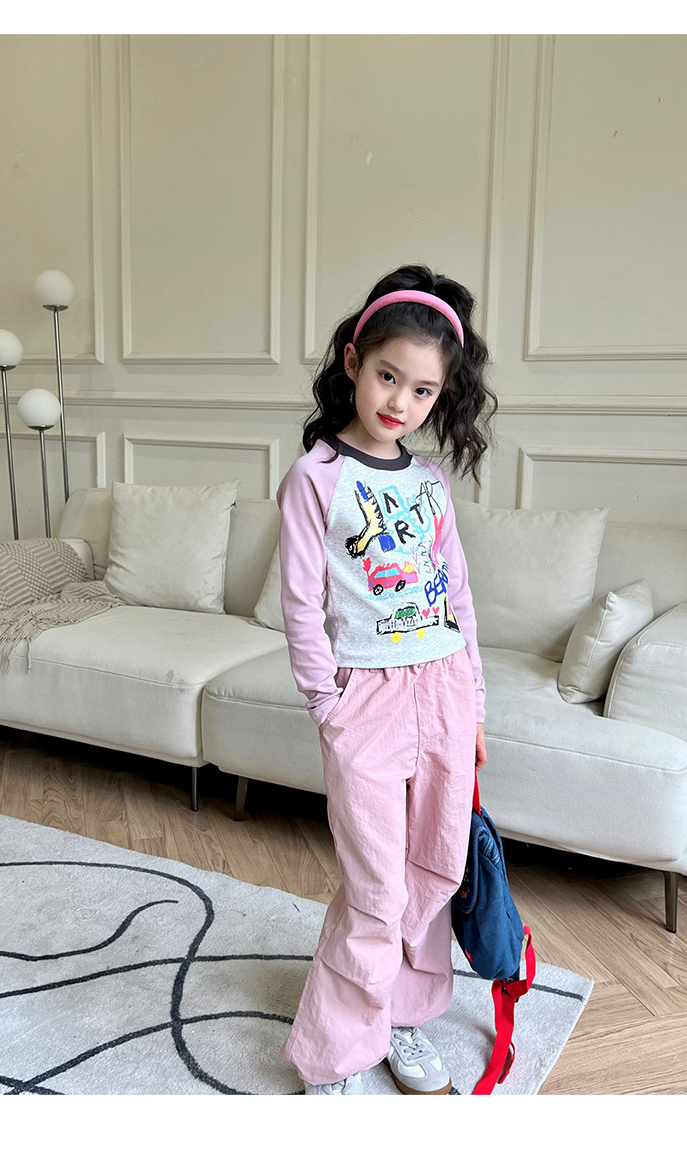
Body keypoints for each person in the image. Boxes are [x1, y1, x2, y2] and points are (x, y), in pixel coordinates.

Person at [276, 264, 497, 1095]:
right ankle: (337, 1049)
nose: (400, 401)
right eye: (388, 376)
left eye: (423, 390)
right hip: (364, 698)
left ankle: (404, 1018)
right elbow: (300, 604)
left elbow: (458, 601)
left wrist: (475, 707)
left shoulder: (430, 485)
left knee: (432, 872)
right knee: (375, 884)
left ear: (442, 397)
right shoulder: (316, 478)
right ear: (353, 362)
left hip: (443, 692)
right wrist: (327, 707)